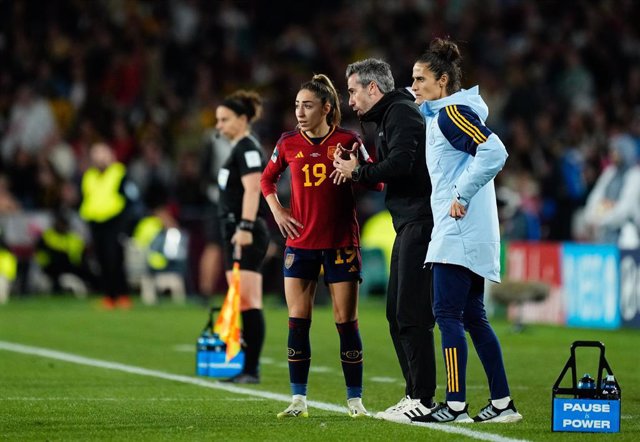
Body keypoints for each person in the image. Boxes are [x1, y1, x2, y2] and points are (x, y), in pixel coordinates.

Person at [409, 38, 522, 423]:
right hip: (467, 231)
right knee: (473, 317)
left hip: (458, 231)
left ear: (442, 81)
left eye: (421, 79)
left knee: (447, 314)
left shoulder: (451, 114)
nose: (415, 86)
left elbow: (495, 151)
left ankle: (455, 404)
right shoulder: (442, 113)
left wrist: (461, 192)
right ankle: (503, 404)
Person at [261, 74, 380, 419]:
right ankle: (298, 400)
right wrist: (279, 211)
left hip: (341, 243)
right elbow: (266, 179)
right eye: (297, 105)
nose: (299, 111)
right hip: (300, 243)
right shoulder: (287, 143)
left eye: (307, 105)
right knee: (298, 321)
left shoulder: (348, 140)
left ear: (326, 108)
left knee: (346, 322)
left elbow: (375, 177)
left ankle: (355, 400)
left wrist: (357, 170)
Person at [332, 59, 436, 423]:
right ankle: (415, 395)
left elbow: (403, 163)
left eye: (353, 91)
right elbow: (388, 168)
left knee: (411, 313)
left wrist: (357, 170)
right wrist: (360, 162)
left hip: (422, 222)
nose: (350, 100)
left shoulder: (402, 114)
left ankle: (423, 398)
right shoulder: (390, 116)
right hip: (409, 222)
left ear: (373, 89)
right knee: (396, 313)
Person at [215, 89, 270, 384]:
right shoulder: (238, 148)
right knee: (241, 300)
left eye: (225, 120)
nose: (219, 126)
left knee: (249, 300)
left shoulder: (247, 147)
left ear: (243, 119)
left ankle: (251, 369)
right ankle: (244, 367)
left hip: (244, 231)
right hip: (233, 231)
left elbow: (253, 189)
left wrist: (246, 227)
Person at [79, 142, 135, 309]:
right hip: (95, 222)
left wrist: (125, 224)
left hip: (114, 221)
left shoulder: (118, 173)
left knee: (115, 259)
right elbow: (86, 198)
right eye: (96, 155)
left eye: (102, 154)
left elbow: (129, 199)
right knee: (101, 260)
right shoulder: (89, 176)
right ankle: (108, 296)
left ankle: (123, 294)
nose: (99, 158)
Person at [582, 134, 640, 247]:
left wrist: (601, 220)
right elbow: (595, 198)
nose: (612, 154)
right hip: (605, 231)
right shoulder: (609, 173)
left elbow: (625, 209)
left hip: (628, 231)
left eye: (616, 151)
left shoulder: (635, 175)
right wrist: (591, 217)